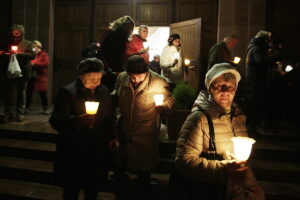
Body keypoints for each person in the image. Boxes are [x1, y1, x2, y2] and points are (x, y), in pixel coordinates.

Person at [173, 63, 264, 200]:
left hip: (233, 190)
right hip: (208, 191)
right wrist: (223, 170)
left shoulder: (238, 116)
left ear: (235, 89)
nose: (225, 91)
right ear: (209, 89)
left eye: (230, 87)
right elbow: (183, 160)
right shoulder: (199, 118)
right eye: (219, 86)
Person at [49, 58, 117, 200]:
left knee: (93, 188)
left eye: (99, 78)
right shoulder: (68, 92)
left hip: (96, 148)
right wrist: (77, 121)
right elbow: (56, 121)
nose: (96, 83)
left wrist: (112, 137)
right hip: (74, 149)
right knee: (72, 188)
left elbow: (110, 117)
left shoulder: (103, 91)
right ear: (81, 76)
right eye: (92, 79)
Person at [112, 55, 174, 187]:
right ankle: (120, 179)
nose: (134, 80)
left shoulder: (158, 81)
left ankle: (143, 183)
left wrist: (164, 107)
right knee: (122, 155)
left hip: (146, 127)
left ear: (145, 72)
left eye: (138, 76)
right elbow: (116, 93)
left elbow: (170, 101)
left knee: (144, 161)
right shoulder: (122, 77)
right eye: (131, 76)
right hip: (125, 124)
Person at [245, 30, 280, 136]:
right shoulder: (257, 48)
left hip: (256, 81)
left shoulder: (256, 47)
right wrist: (275, 58)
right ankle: (250, 131)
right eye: (268, 39)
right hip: (256, 82)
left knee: (255, 107)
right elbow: (260, 61)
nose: (269, 41)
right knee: (254, 107)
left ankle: (252, 129)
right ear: (264, 39)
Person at [0, 24, 35, 122]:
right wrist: (6, 54)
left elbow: (32, 55)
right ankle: (8, 113)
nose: (14, 36)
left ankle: (20, 113)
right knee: (8, 93)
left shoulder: (28, 43)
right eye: (13, 33)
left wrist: (19, 54)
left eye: (17, 33)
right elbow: (1, 53)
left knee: (21, 93)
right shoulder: (6, 43)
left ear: (21, 33)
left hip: (23, 71)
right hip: (10, 71)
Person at [26, 40, 50, 115]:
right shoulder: (32, 54)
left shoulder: (44, 54)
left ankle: (45, 108)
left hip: (40, 77)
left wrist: (34, 64)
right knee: (28, 93)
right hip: (32, 76)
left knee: (43, 93)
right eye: (32, 47)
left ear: (38, 47)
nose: (33, 48)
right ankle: (26, 108)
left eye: (34, 47)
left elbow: (46, 63)